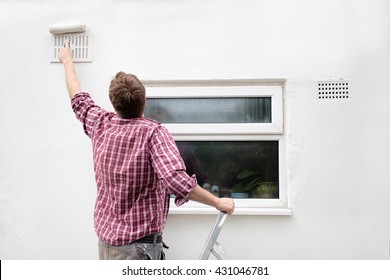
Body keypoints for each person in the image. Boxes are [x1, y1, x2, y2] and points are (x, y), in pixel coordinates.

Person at [58, 43, 235, 260]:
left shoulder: (100, 123)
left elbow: (78, 98)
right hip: (138, 250)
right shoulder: (153, 133)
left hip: (106, 246)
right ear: (144, 102)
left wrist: (67, 60)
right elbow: (175, 180)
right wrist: (218, 202)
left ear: (115, 104)